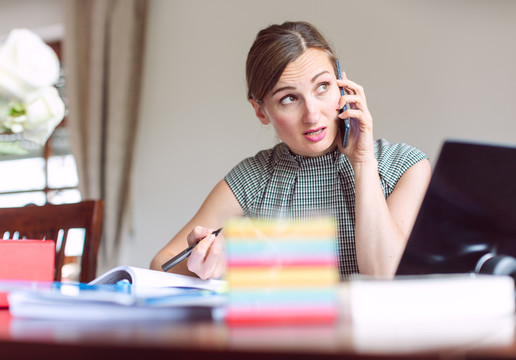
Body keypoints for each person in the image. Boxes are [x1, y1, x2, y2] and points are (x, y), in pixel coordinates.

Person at [150, 21, 431, 280]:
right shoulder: (252, 179)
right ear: (261, 111)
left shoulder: (406, 167)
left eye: (323, 87)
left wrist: (363, 162)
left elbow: (385, 275)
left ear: (343, 85)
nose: (312, 115)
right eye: (289, 98)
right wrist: (206, 263)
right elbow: (160, 264)